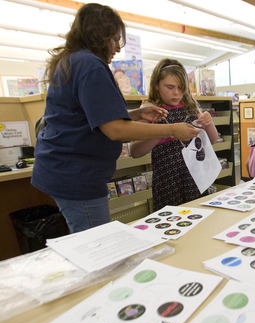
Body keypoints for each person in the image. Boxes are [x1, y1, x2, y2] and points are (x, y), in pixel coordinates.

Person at [31, 4, 200, 233]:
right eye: (114, 40)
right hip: (77, 175)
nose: (117, 49)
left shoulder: (72, 61)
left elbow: (89, 118)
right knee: (97, 242)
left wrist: (135, 114)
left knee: (87, 237)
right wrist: (171, 129)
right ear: (99, 37)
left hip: (63, 169)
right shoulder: (90, 65)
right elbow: (115, 130)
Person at [129, 59, 219, 210]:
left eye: (181, 88)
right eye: (170, 87)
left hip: (197, 178)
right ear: (156, 85)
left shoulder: (190, 105)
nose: (177, 93)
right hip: (169, 182)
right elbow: (135, 151)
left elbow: (213, 140)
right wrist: (163, 130)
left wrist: (208, 124)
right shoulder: (150, 109)